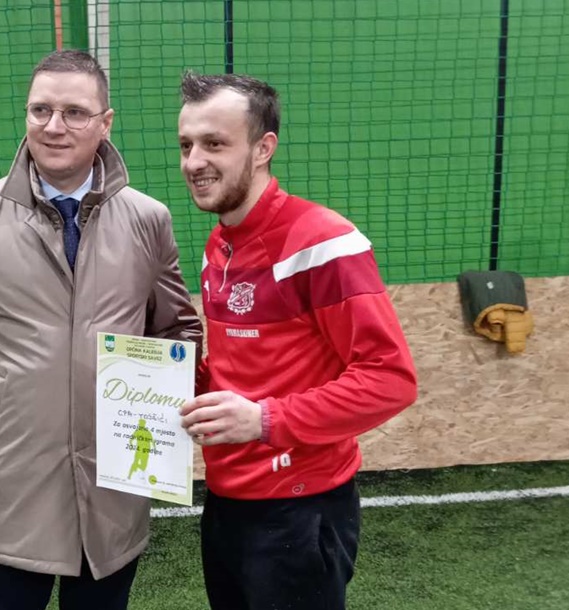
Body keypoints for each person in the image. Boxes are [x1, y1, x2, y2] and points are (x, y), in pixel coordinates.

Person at [0, 50, 202, 610]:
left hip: (112, 497)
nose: (54, 126)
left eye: (75, 112)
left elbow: (178, 332)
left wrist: (162, 407)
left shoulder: (148, 220)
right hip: (10, 498)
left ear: (105, 123)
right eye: (41, 110)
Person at [176, 71, 418, 609]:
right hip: (226, 502)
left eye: (214, 143)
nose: (194, 161)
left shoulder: (323, 242)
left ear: (264, 148)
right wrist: (168, 377)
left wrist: (264, 420)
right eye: (186, 145)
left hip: (300, 509)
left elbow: (390, 379)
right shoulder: (220, 245)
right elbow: (240, 369)